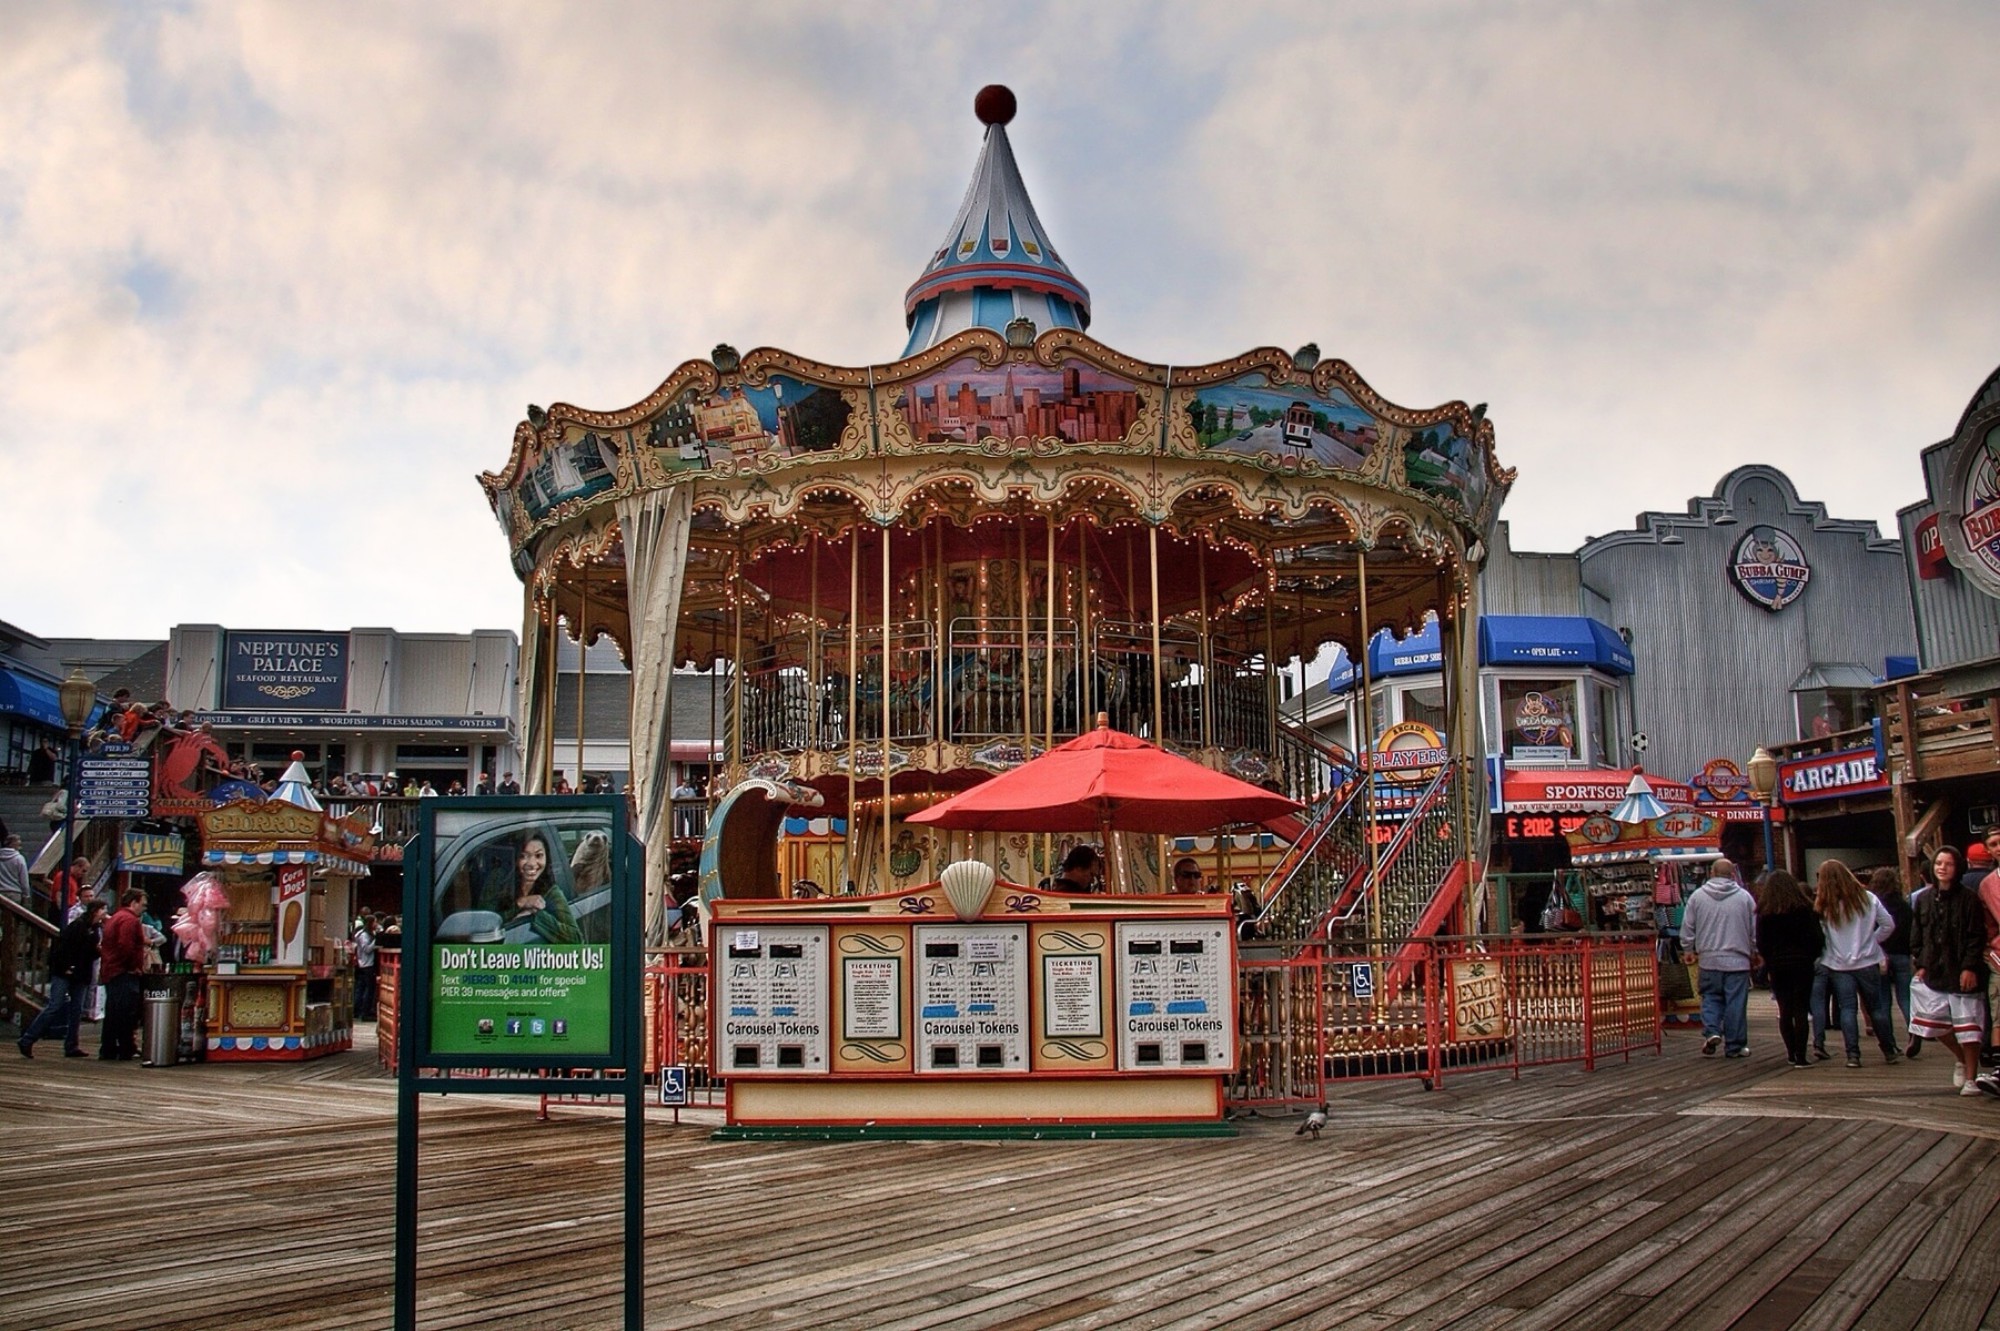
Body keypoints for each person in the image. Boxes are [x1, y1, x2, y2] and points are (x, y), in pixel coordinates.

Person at [1910, 845, 1989, 1095]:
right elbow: (1917, 934)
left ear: (1958, 867)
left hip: (1961, 968)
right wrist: (1921, 962)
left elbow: (1976, 935)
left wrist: (1969, 966)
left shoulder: (1969, 898)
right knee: (1933, 1022)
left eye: (1948, 864)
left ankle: (1970, 1077)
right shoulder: (1923, 898)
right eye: (1938, 863)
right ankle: (1961, 1059)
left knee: (1968, 1027)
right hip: (1933, 969)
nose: (1942, 868)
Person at [1815, 860, 1899, 1068]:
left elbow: (1822, 936)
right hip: (1867, 960)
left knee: (1847, 1008)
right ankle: (1889, 1049)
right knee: (1877, 1008)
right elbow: (1888, 924)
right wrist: (1873, 940)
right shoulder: (1868, 898)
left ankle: (1853, 1054)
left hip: (1838, 964)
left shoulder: (1824, 905)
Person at [1681, 856, 1756, 1058]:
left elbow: (1688, 926)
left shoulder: (1697, 897)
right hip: (1737, 959)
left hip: (1709, 958)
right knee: (1735, 1002)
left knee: (1711, 998)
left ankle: (1712, 1030)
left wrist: (1688, 949)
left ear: (1711, 873)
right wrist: (1754, 950)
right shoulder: (1744, 897)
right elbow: (1753, 929)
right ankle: (1735, 1045)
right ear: (1733, 874)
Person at [17, 899, 106, 1058]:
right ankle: (28, 1039)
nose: (104, 913)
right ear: (95, 911)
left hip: (81, 974)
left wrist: (97, 951)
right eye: (102, 910)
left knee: (76, 1010)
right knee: (55, 1005)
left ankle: (71, 1045)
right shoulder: (77, 926)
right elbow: (62, 949)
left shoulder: (96, 929)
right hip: (65, 971)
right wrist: (67, 967)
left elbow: (88, 954)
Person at [1755, 871, 1821, 1069]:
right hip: (1802, 963)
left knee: (1784, 1009)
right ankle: (1801, 1055)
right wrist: (1810, 956)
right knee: (1801, 1008)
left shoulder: (1765, 912)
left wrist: (1769, 960)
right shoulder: (1806, 909)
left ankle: (1791, 1053)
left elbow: (1761, 942)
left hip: (1778, 964)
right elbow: (1817, 938)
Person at [97, 888, 149, 1061]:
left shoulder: (116, 917)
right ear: (133, 902)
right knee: (126, 1013)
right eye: (142, 904)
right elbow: (125, 945)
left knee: (113, 1012)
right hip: (123, 972)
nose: (144, 908)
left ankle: (109, 1048)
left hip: (112, 970)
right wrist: (132, 966)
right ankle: (126, 1048)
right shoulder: (129, 920)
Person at [502, 832, 580, 943]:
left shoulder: (552, 893)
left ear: (546, 857)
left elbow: (576, 939)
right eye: (523, 856)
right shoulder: (499, 881)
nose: (532, 863)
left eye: (538, 856)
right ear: (514, 858)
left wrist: (536, 915)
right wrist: (521, 903)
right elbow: (485, 922)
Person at [1872, 867, 1918, 1056]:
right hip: (1901, 953)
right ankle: (1914, 1034)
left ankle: (1888, 1041)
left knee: (1883, 1001)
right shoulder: (1904, 906)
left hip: (1880, 954)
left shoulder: (1873, 904)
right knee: (1905, 997)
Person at [352, 914, 379, 1021]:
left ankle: (358, 1010)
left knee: (361, 987)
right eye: (375, 922)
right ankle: (364, 1011)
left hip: (362, 964)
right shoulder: (364, 935)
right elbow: (367, 949)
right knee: (368, 988)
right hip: (367, 963)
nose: (376, 924)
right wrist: (376, 941)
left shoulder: (362, 934)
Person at [0, 833, 30, 907]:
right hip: (15, 894)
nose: (20, 843)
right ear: (11, 844)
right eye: (18, 841)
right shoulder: (19, 858)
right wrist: (26, 895)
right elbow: (24, 879)